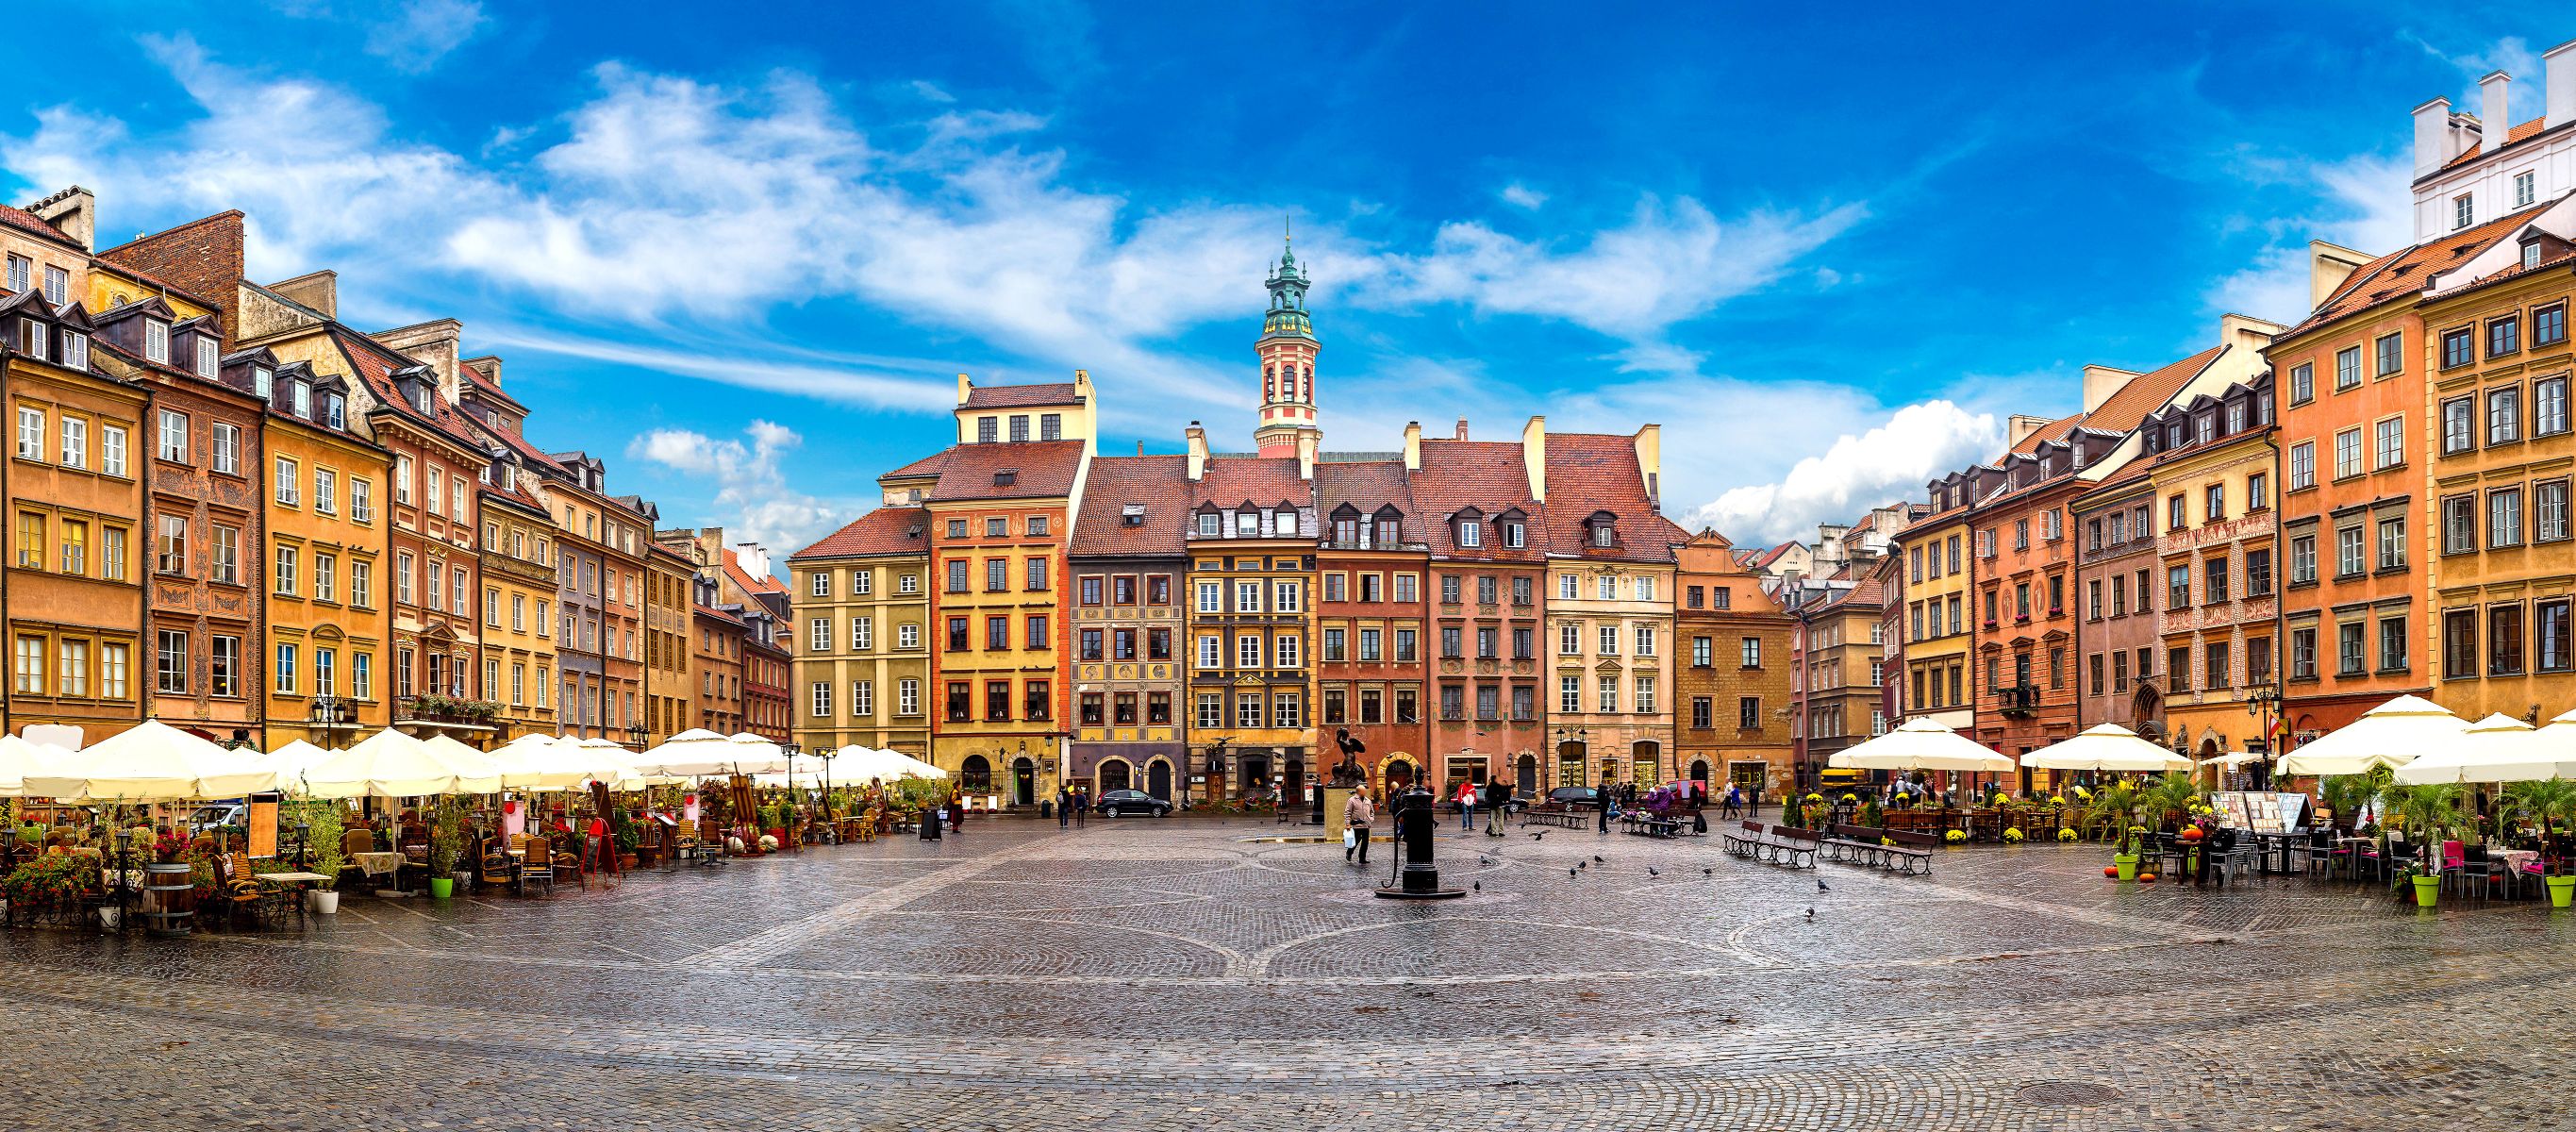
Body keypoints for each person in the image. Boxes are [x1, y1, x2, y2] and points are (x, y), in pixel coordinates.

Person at [1345, 789, 1374, 865]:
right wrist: (1348, 824)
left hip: (1366, 825)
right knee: (1356, 840)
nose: (1364, 792)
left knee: (1365, 842)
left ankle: (1362, 858)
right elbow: (1347, 812)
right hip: (1356, 824)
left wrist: (1371, 819)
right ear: (1358, 791)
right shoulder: (1351, 800)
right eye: (1363, 791)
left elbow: (1372, 812)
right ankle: (1349, 852)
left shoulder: (1368, 800)